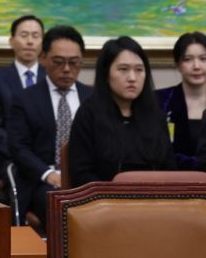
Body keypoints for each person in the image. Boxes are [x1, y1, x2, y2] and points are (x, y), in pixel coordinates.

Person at [7, 25, 92, 230]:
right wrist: (48, 174)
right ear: (43, 58)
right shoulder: (24, 99)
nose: (66, 69)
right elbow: (19, 149)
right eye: (58, 62)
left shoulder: (93, 98)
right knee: (57, 204)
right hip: (42, 181)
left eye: (74, 63)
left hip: (86, 180)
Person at [69, 36, 175, 186]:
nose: (132, 78)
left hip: (153, 202)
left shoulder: (156, 115)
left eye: (139, 70)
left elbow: (169, 170)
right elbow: (81, 174)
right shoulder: (89, 114)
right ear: (106, 74)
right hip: (103, 203)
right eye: (123, 69)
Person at [0, 15, 45, 180]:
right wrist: (22, 152)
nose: (30, 42)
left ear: (43, 43)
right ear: (11, 41)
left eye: (36, 36)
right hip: (9, 157)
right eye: (24, 35)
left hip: (47, 157)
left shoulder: (51, 78)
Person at [156, 32, 206, 169]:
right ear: (177, 64)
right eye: (188, 59)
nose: (196, 66)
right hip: (171, 183)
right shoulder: (160, 100)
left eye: (203, 59)